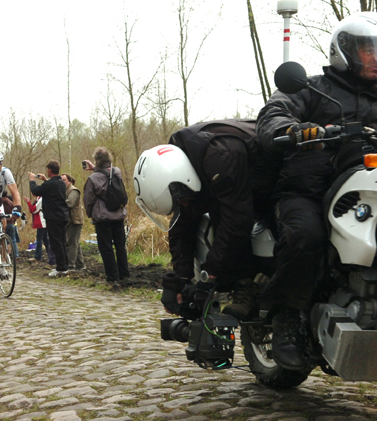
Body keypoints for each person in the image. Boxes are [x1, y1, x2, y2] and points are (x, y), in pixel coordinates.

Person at [256, 11, 377, 371]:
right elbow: (273, 114)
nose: (375, 57)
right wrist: (296, 130)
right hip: (307, 191)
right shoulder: (311, 88)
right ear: (345, 52)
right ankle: (287, 318)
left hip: (366, 191)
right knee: (305, 236)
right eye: (368, 49)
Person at [135, 120, 261, 319]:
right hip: (236, 183)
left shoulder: (220, 158)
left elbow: (237, 222)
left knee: (230, 221)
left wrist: (208, 277)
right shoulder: (179, 166)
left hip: (272, 170)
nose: (183, 205)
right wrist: (180, 280)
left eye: (181, 200)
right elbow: (180, 226)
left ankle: (260, 291)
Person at [83, 147, 129, 285]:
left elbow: (88, 199)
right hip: (119, 215)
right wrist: (95, 168)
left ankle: (112, 277)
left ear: (96, 161)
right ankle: (124, 274)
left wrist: (90, 214)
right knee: (120, 246)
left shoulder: (93, 179)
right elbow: (106, 174)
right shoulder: (117, 172)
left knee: (106, 247)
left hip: (103, 218)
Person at [29, 161, 69, 277]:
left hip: (53, 217)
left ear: (49, 170)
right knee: (62, 241)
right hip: (62, 216)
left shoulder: (51, 184)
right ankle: (65, 266)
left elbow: (35, 191)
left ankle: (61, 268)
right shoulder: (61, 183)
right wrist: (46, 180)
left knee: (56, 242)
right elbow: (53, 187)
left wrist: (32, 180)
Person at [61, 173, 84, 271]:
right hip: (70, 220)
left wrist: (57, 203)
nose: (62, 182)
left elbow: (70, 203)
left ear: (69, 181)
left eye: (64, 180)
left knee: (71, 243)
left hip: (75, 220)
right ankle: (80, 265)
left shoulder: (73, 190)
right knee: (75, 243)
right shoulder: (65, 191)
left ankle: (71, 265)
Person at [24, 195, 55, 265]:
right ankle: (51, 256)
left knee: (39, 239)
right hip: (42, 222)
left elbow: (33, 209)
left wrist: (28, 202)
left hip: (41, 222)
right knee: (45, 240)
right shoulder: (38, 199)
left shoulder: (41, 199)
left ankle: (38, 256)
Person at [1, 191, 20, 258]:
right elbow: (15, 213)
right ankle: (16, 254)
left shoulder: (0, 203)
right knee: (13, 240)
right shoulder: (11, 203)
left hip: (4, 223)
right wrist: (14, 220)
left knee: (3, 239)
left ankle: (5, 255)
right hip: (12, 223)